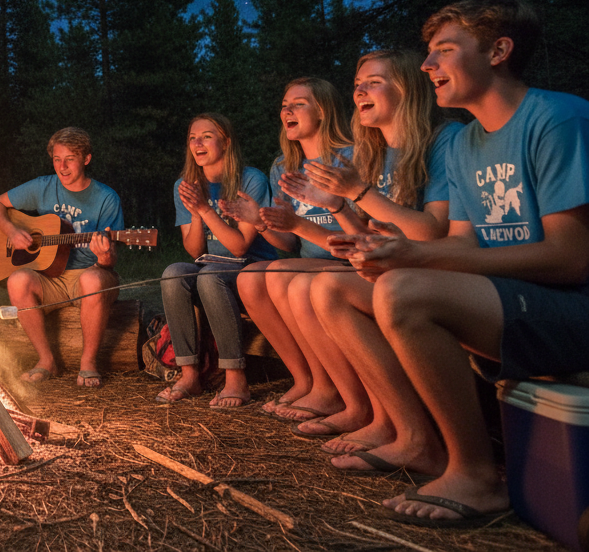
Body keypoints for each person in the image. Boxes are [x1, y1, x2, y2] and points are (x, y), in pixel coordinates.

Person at [330, 0, 589, 527]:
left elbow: (571, 257)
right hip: (520, 301)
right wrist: (401, 253)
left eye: (444, 51)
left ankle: (475, 472)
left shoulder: (557, 118)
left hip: (572, 307)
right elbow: (468, 243)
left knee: (406, 292)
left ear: (498, 50)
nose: (428, 67)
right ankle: (427, 442)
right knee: (398, 278)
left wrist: (414, 263)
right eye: (428, 55)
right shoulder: (470, 141)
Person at [288, 51, 459, 456]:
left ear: (408, 90)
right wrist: (335, 207)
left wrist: (355, 193)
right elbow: (367, 232)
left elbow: (432, 232)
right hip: (396, 270)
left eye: (374, 82)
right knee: (320, 288)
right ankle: (383, 419)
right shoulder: (376, 152)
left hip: (439, 270)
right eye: (357, 85)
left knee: (326, 286)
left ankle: (414, 435)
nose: (360, 90)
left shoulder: (443, 139)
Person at [224, 78, 359, 419]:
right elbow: (287, 244)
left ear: (323, 111)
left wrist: (304, 220)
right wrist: (259, 221)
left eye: (298, 103)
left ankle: (329, 390)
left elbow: (363, 233)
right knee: (250, 279)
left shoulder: (353, 156)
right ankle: (305, 379)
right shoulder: (283, 167)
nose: (287, 110)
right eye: (284, 105)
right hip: (310, 260)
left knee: (287, 278)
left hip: (350, 261)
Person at [0, 127, 122, 388]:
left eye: (70, 158)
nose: (63, 166)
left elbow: (109, 263)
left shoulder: (106, 198)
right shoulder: (42, 186)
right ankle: (46, 360)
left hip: (90, 274)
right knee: (17, 280)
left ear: (86, 159)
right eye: (57, 159)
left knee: (93, 278)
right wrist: (12, 230)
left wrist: (104, 255)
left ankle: (89, 363)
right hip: (51, 278)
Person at [155, 114, 278, 407]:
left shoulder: (250, 179)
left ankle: (235, 377)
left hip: (250, 267)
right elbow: (194, 250)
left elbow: (239, 247)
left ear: (226, 142)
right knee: (173, 274)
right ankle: (189, 374)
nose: (197, 143)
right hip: (209, 265)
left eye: (207, 136)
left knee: (210, 276)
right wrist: (196, 212)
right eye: (192, 138)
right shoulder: (185, 185)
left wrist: (205, 208)